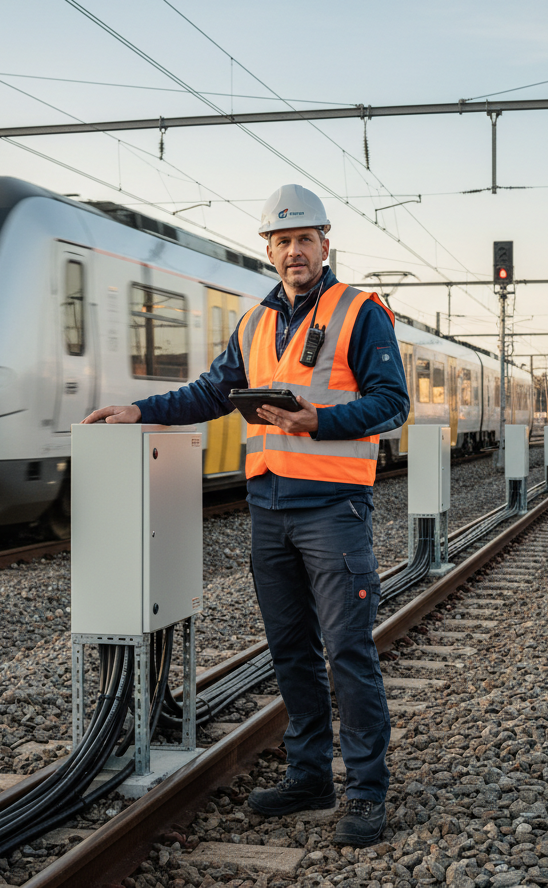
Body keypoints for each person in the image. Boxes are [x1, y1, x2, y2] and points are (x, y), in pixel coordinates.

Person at [81, 184, 409, 846]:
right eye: (282, 241)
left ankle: (368, 791)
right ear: (269, 250)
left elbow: (391, 401)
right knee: (290, 652)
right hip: (270, 508)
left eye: (305, 239)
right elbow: (213, 390)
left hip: (333, 509)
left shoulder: (361, 311)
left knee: (347, 650)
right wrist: (138, 410)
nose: (294, 251)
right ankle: (310, 775)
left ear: (326, 244)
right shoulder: (256, 323)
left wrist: (319, 419)